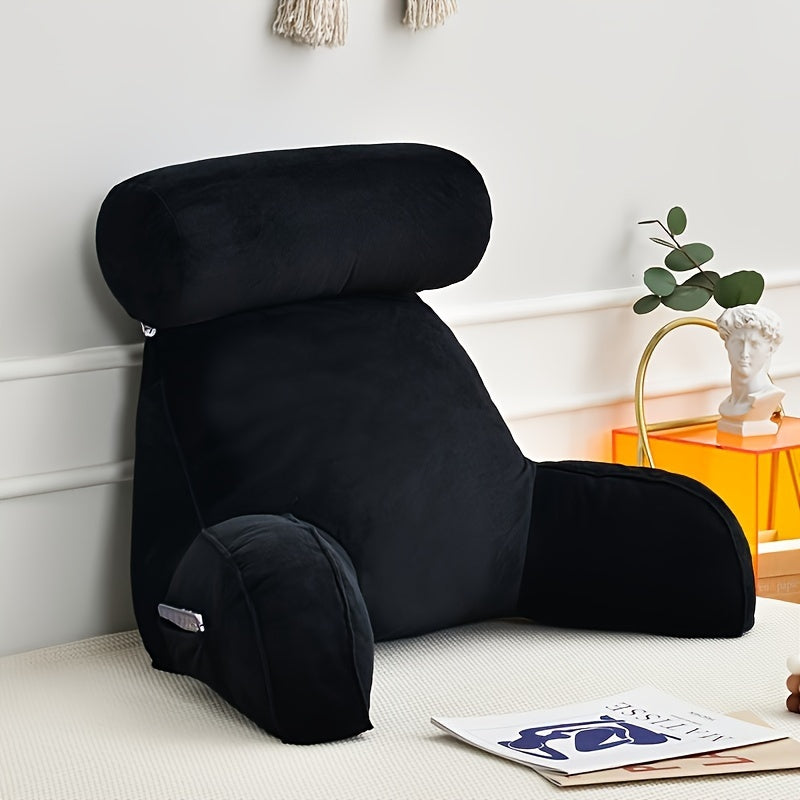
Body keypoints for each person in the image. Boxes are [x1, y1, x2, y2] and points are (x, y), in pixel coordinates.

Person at [716, 304, 784, 436]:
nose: (744, 353)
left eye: (755, 344)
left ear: (770, 349)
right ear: (726, 344)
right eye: (738, 343)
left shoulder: (767, 398)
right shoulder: (728, 405)